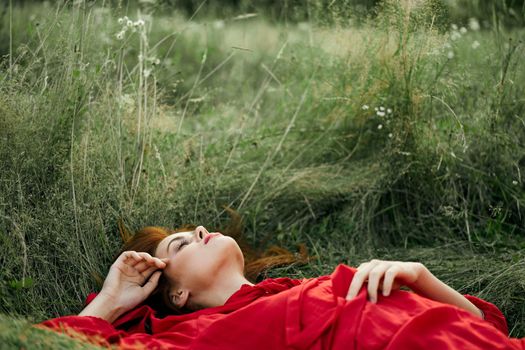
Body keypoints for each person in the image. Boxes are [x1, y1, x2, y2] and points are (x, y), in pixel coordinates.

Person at [39, 224, 525, 349]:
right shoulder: (197, 336)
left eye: (194, 230)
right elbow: (48, 344)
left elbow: (489, 328)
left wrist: (420, 276)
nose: (202, 231)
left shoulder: (295, 287)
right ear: (177, 295)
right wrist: (110, 299)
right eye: (182, 245)